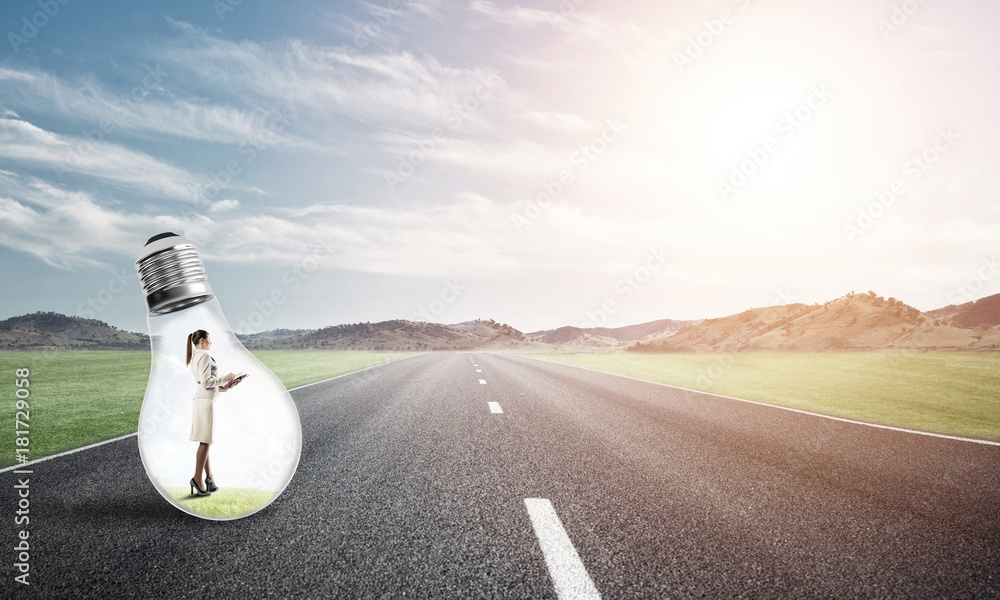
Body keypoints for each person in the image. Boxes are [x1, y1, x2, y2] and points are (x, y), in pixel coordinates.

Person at [185, 330, 242, 496]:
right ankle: (197, 478)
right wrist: (227, 377)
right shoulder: (203, 356)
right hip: (205, 401)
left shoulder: (197, 356)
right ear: (202, 341)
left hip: (204, 398)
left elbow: (208, 384)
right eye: (209, 339)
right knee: (206, 441)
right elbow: (207, 382)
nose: (211, 342)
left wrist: (226, 386)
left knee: (205, 439)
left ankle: (209, 478)